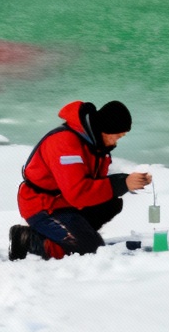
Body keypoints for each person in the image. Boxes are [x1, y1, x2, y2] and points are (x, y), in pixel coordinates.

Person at [8, 100, 152, 260]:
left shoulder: (95, 144)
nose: (116, 142)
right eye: (117, 136)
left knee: (112, 204)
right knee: (90, 249)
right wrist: (122, 183)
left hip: (64, 203)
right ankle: (27, 238)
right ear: (106, 129)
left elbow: (95, 182)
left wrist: (126, 181)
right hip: (43, 204)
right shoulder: (65, 143)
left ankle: (74, 233)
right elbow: (77, 193)